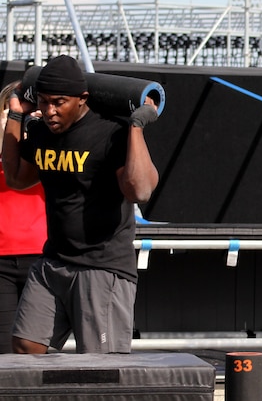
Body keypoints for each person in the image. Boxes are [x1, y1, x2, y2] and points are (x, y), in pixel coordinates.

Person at [1, 55, 160, 353]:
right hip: (54, 261)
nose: (49, 111)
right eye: (44, 101)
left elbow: (140, 191)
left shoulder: (109, 133)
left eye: (58, 102)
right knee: (25, 347)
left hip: (102, 267)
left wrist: (135, 127)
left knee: (101, 367)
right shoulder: (42, 133)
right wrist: (15, 115)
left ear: (82, 99)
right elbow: (16, 178)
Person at [0, 81, 46, 352]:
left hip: (41, 255)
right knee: (4, 350)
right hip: (2, 257)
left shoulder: (48, 143)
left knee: (37, 348)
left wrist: (37, 131)